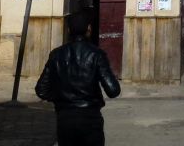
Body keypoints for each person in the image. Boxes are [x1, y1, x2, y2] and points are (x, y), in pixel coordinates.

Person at [35, 11, 120, 146]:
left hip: (65, 118)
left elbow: (41, 90)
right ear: (89, 29)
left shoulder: (56, 54)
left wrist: (60, 98)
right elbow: (113, 90)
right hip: (91, 118)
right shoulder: (97, 54)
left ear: (68, 30)